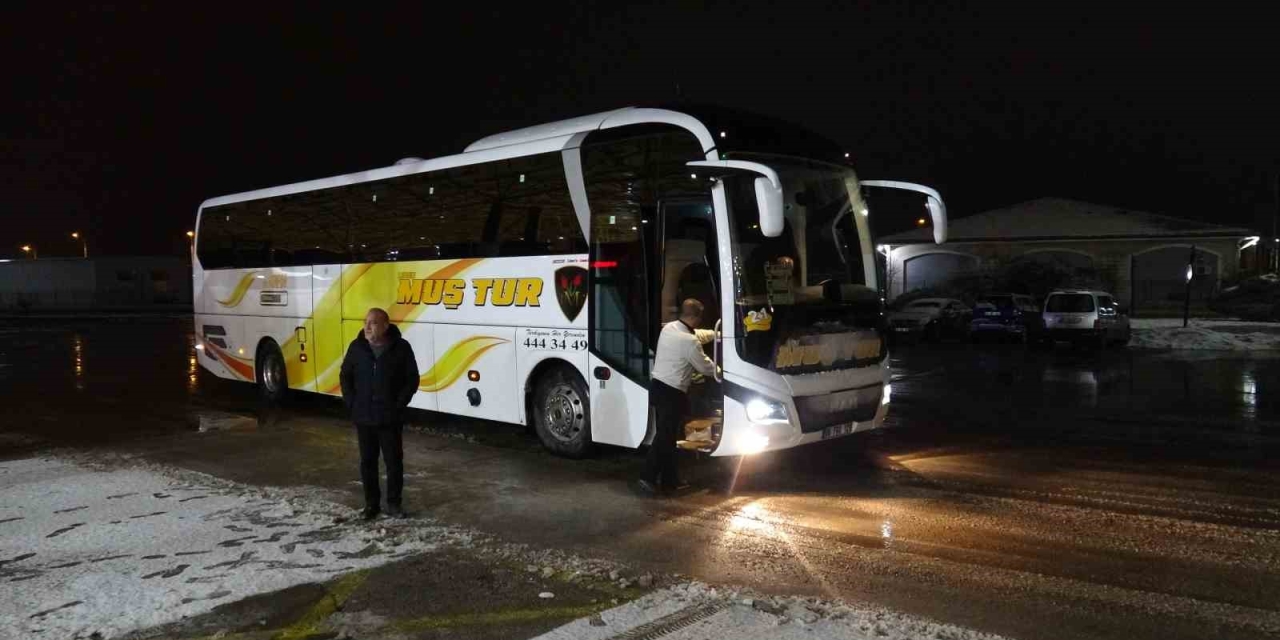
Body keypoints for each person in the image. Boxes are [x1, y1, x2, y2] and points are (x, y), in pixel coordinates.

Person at [340, 308, 420, 520]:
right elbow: (345, 376)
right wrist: (352, 403)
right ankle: (371, 505)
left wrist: (398, 405)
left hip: (389, 417)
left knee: (393, 462)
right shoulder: (357, 347)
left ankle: (394, 504)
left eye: (373, 323)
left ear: (385, 326)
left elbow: (412, 379)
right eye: (366, 321)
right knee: (368, 462)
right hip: (364, 416)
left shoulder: (401, 348)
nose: (367, 326)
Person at [635, 298, 717, 497]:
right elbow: (705, 367)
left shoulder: (670, 328)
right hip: (672, 393)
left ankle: (671, 481)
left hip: (659, 388)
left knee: (669, 437)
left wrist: (718, 334)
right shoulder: (689, 342)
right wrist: (725, 373)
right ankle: (647, 477)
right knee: (664, 438)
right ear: (695, 317)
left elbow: (698, 334)